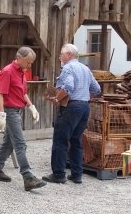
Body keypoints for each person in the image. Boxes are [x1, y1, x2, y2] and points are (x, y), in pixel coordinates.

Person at [0, 47, 45, 191]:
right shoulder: (7, 71)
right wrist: (1, 114)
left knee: (9, 143)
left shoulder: (21, 72)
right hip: (10, 111)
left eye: (31, 62)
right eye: (28, 62)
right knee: (20, 144)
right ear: (19, 58)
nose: (30, 65)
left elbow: (22, 92)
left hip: (17, 110)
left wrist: (31, 106)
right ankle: (28, 177)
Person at [42, 43, 101, 185]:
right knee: (76, 141)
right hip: (84, 106)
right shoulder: (85, 68)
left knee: (60, 140)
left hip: (71, 106)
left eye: (61, 54)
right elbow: (97, 88)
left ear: (69, 55)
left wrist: (57, 98)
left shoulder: (68, 67)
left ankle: (58, 174)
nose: (60, 57)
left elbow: (68, 86)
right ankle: (76, 175)